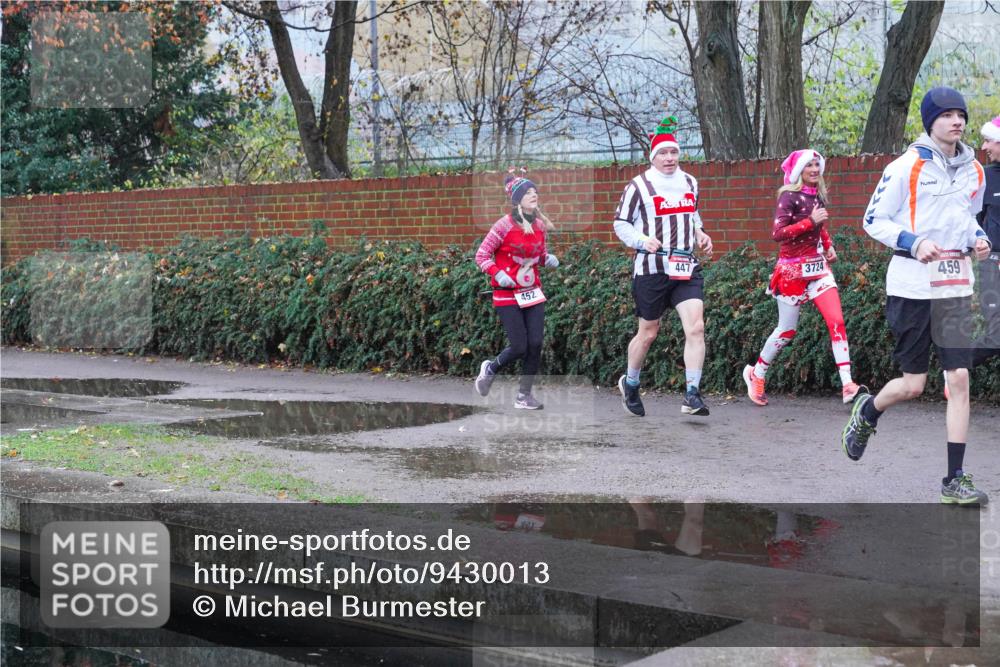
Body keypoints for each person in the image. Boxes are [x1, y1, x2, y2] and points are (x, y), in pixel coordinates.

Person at [841, 87, 991, 505]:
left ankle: (954, 479)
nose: (956, 121)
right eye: (946, 115)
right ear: (930, 122)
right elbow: (873, 220)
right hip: (911, 286)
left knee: (958, 379)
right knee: (912, 384)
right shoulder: (905, 166)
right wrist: (912, 241)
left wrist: (978, 238)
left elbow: (967, 218)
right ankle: (869, 411)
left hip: (954, 286)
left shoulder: (974, 170)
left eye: (961, 114)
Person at [741, 150, 863, 406]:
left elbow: (821, 226)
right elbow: (778, 233)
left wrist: (827, 244)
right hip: (791, 271)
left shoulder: (817, 195)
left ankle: (847, 384)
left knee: (837, 321)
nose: (815, 169)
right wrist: (809, 221)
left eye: (818, 164)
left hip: (818, 269)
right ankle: (756, 372)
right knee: (787, 330)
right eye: (810, 165)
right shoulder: (789, 197)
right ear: (799, 170)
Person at [613, 116, 714, 417]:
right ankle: (631, 383)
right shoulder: (639, 186)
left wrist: (700, 233)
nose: (669, 158)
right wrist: (643, 240)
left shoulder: (690, 182)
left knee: (696, 327)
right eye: (663, 153)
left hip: (685, 267)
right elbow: (620, 224)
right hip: (651, 269)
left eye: (674, 153)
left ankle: (692, 394)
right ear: (652, 157)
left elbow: (693, 215)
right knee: (649, 332)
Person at [473, 169, 559, 409]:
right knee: (520, 345)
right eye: (528, 192)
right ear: (517, 198)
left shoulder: (539, 225)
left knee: (536, 344)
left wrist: (547, 259)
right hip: (507, 294)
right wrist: (498, 273)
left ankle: (524, 396)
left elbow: (537, 255)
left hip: (532, 292)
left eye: (535, 191)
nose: (534, 195)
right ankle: (491, 367)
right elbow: (481, 255)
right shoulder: (503, 226)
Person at [972, 115, 1000, 367]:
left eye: (989, 141)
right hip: (993, 265)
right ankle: (956, 367)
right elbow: (975, 223)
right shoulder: (984, 177)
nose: (984, 147)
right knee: (996, 336)